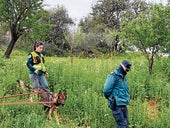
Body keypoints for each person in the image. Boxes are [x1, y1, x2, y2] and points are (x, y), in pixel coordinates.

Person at [103, 60, 132, 128]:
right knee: (122, 125)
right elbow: (106, 91)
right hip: (116, 105)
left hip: (123, 104)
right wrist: (111, 99)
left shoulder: (123, 77)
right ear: (121, 66)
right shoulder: (113, 76)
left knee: (126, 124)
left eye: (128, 70)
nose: (127, 72)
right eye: (126, 70)